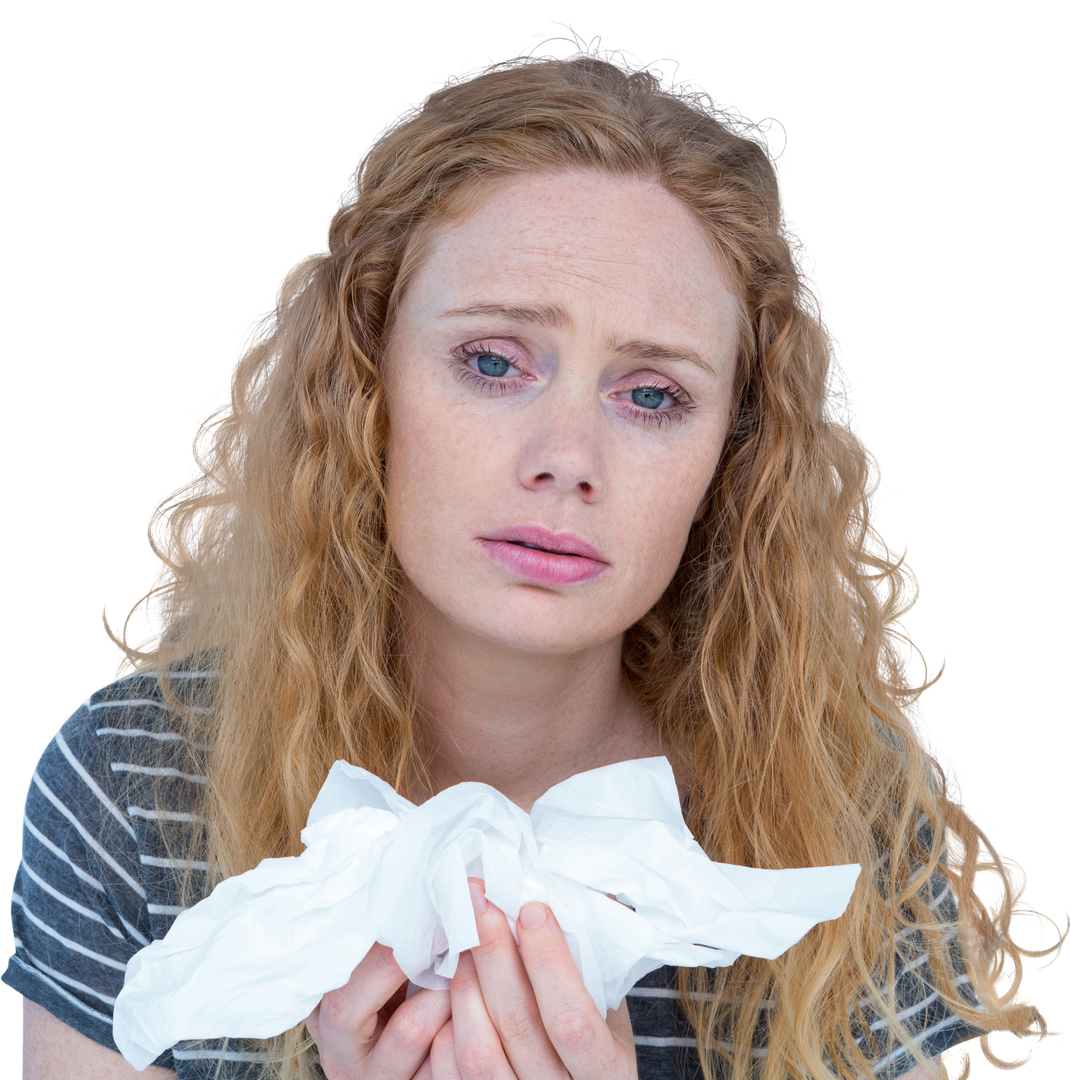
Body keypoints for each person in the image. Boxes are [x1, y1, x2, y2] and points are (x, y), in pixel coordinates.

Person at [5, 20, 1050, 1080]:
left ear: (730, 461)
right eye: (494, 362)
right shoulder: (137, 786)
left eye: (652, 395)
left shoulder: (846, 818)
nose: (567, 459)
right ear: (367, 387)